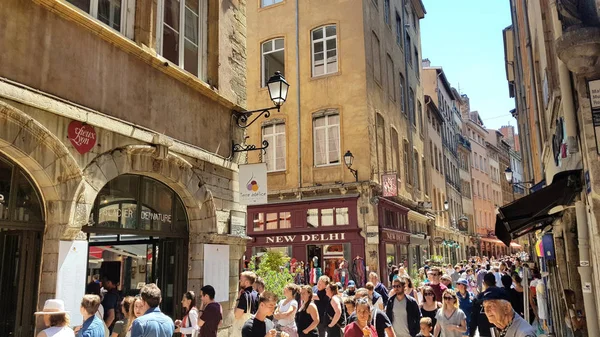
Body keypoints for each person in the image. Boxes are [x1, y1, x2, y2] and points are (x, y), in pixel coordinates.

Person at [469, 272, 497, 337]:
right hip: (500, 330)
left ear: (484, 283)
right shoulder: (501, 296)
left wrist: (471, 334)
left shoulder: (479, 298)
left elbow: (473, 319)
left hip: (484, 331)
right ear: (495, 282)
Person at [234, 271, 259, 336]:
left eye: (241, 280)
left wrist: (238, 298)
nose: (240, 281)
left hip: (243, 329)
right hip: (253, 328)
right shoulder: (256, 294)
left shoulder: (244, 295)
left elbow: (237, 315)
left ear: (247, 282)